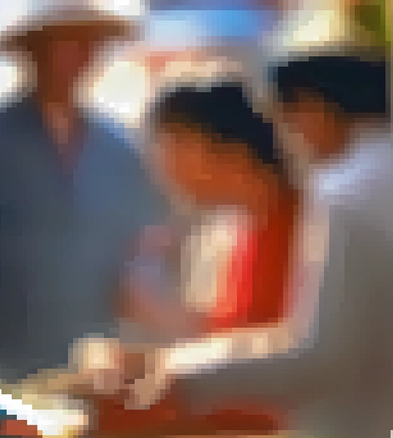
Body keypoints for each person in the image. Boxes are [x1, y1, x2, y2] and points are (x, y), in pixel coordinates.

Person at [114, 51, 393, 438]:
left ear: (313, 111)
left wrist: (178, 377)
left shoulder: (344, 188)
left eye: (284, 121)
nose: (283, 141)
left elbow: (324, 352)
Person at [0, 0, 168, 383]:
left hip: (91, 363)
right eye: (56, 43)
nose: (70, 57)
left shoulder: (119, 148)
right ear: (29, 50)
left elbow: (143, 245)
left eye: (84, 43)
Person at [126, 80, 303, 340]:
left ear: (235, 149)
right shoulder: (232, 232)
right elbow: (224, 332)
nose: (164, 168)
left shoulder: (310, 230)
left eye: (178, 146)